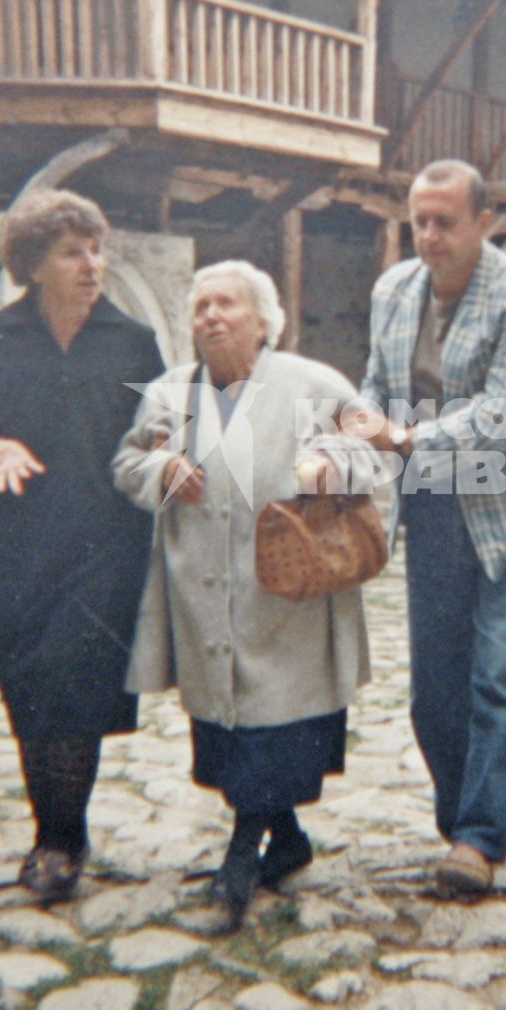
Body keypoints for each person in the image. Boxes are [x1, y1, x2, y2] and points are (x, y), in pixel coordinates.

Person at [113, 261, 377, 929]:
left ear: (263, 321)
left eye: (226, 304)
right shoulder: (170, 394)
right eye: (200, 306)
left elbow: (372, 455)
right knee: (233, 726)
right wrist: (161, 467)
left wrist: (329, 466)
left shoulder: (313, 384)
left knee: (274, 723)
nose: (210, 316)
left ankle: (238, 864)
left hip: (285, 596)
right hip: (202, 593)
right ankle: (283, 843)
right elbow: (125, 463)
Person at [348, 158, 506, 899]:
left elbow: (502, 420)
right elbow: (377, 384)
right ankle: (459, 820)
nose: (431, 236)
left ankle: (478, 840)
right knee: (432, 690)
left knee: (498, 677)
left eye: (447, 221)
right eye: (420, 221)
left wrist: (402, 438)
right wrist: (353, 436)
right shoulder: (392, 291)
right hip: (434, 508)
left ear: (486, 222)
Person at [0, 190, 165, 903]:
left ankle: (59, 840)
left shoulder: (131, 341)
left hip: (105, 542)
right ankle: (57, 826)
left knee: (73, 680)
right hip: (16, 539)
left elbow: (160, 429)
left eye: (96, 250)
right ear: (34, 264)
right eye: (73, 252)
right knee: (29, 681)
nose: (91, 264)